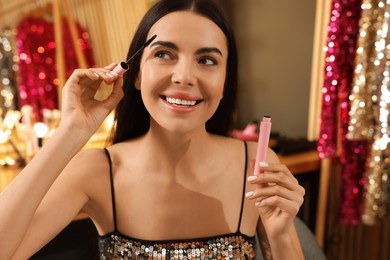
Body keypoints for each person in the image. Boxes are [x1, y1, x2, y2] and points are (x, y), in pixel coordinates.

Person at [0, 0, 306, 259]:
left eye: (207, 60)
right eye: (163, 54)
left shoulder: (257, 165)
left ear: (226, 82)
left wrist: (278, 237)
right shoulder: (97, 171)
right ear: (135, 75)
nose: (184, 76)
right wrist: (71, 132)